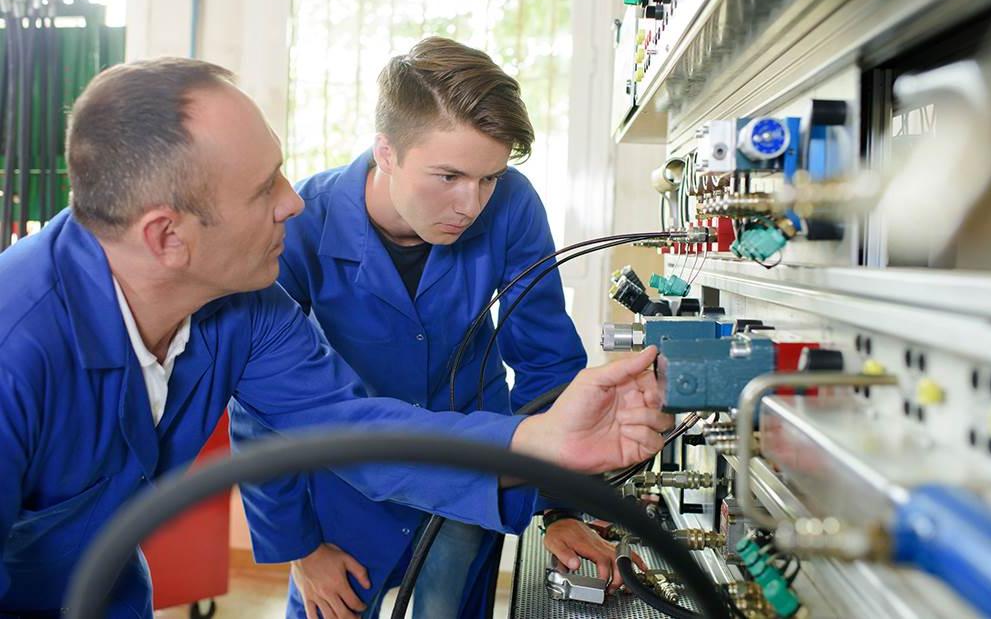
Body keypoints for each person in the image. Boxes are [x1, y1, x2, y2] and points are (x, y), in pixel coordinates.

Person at [0, 58, 670, 618]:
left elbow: (354, 427)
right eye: (266, 188)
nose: (294, 202)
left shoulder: (248, 310)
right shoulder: (14, 348)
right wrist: (300, 544)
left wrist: (545, 444)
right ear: (167, 236)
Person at [232, 37, 639, 619]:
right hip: (348, 486)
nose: (471, 204)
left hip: (473, 471)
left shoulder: (513, 205)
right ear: (387, 152)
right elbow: (261, 400)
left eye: (489, 178)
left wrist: (558, 506)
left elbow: (545, 361)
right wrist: (300, 547)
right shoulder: (301, 223)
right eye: (448, 176)